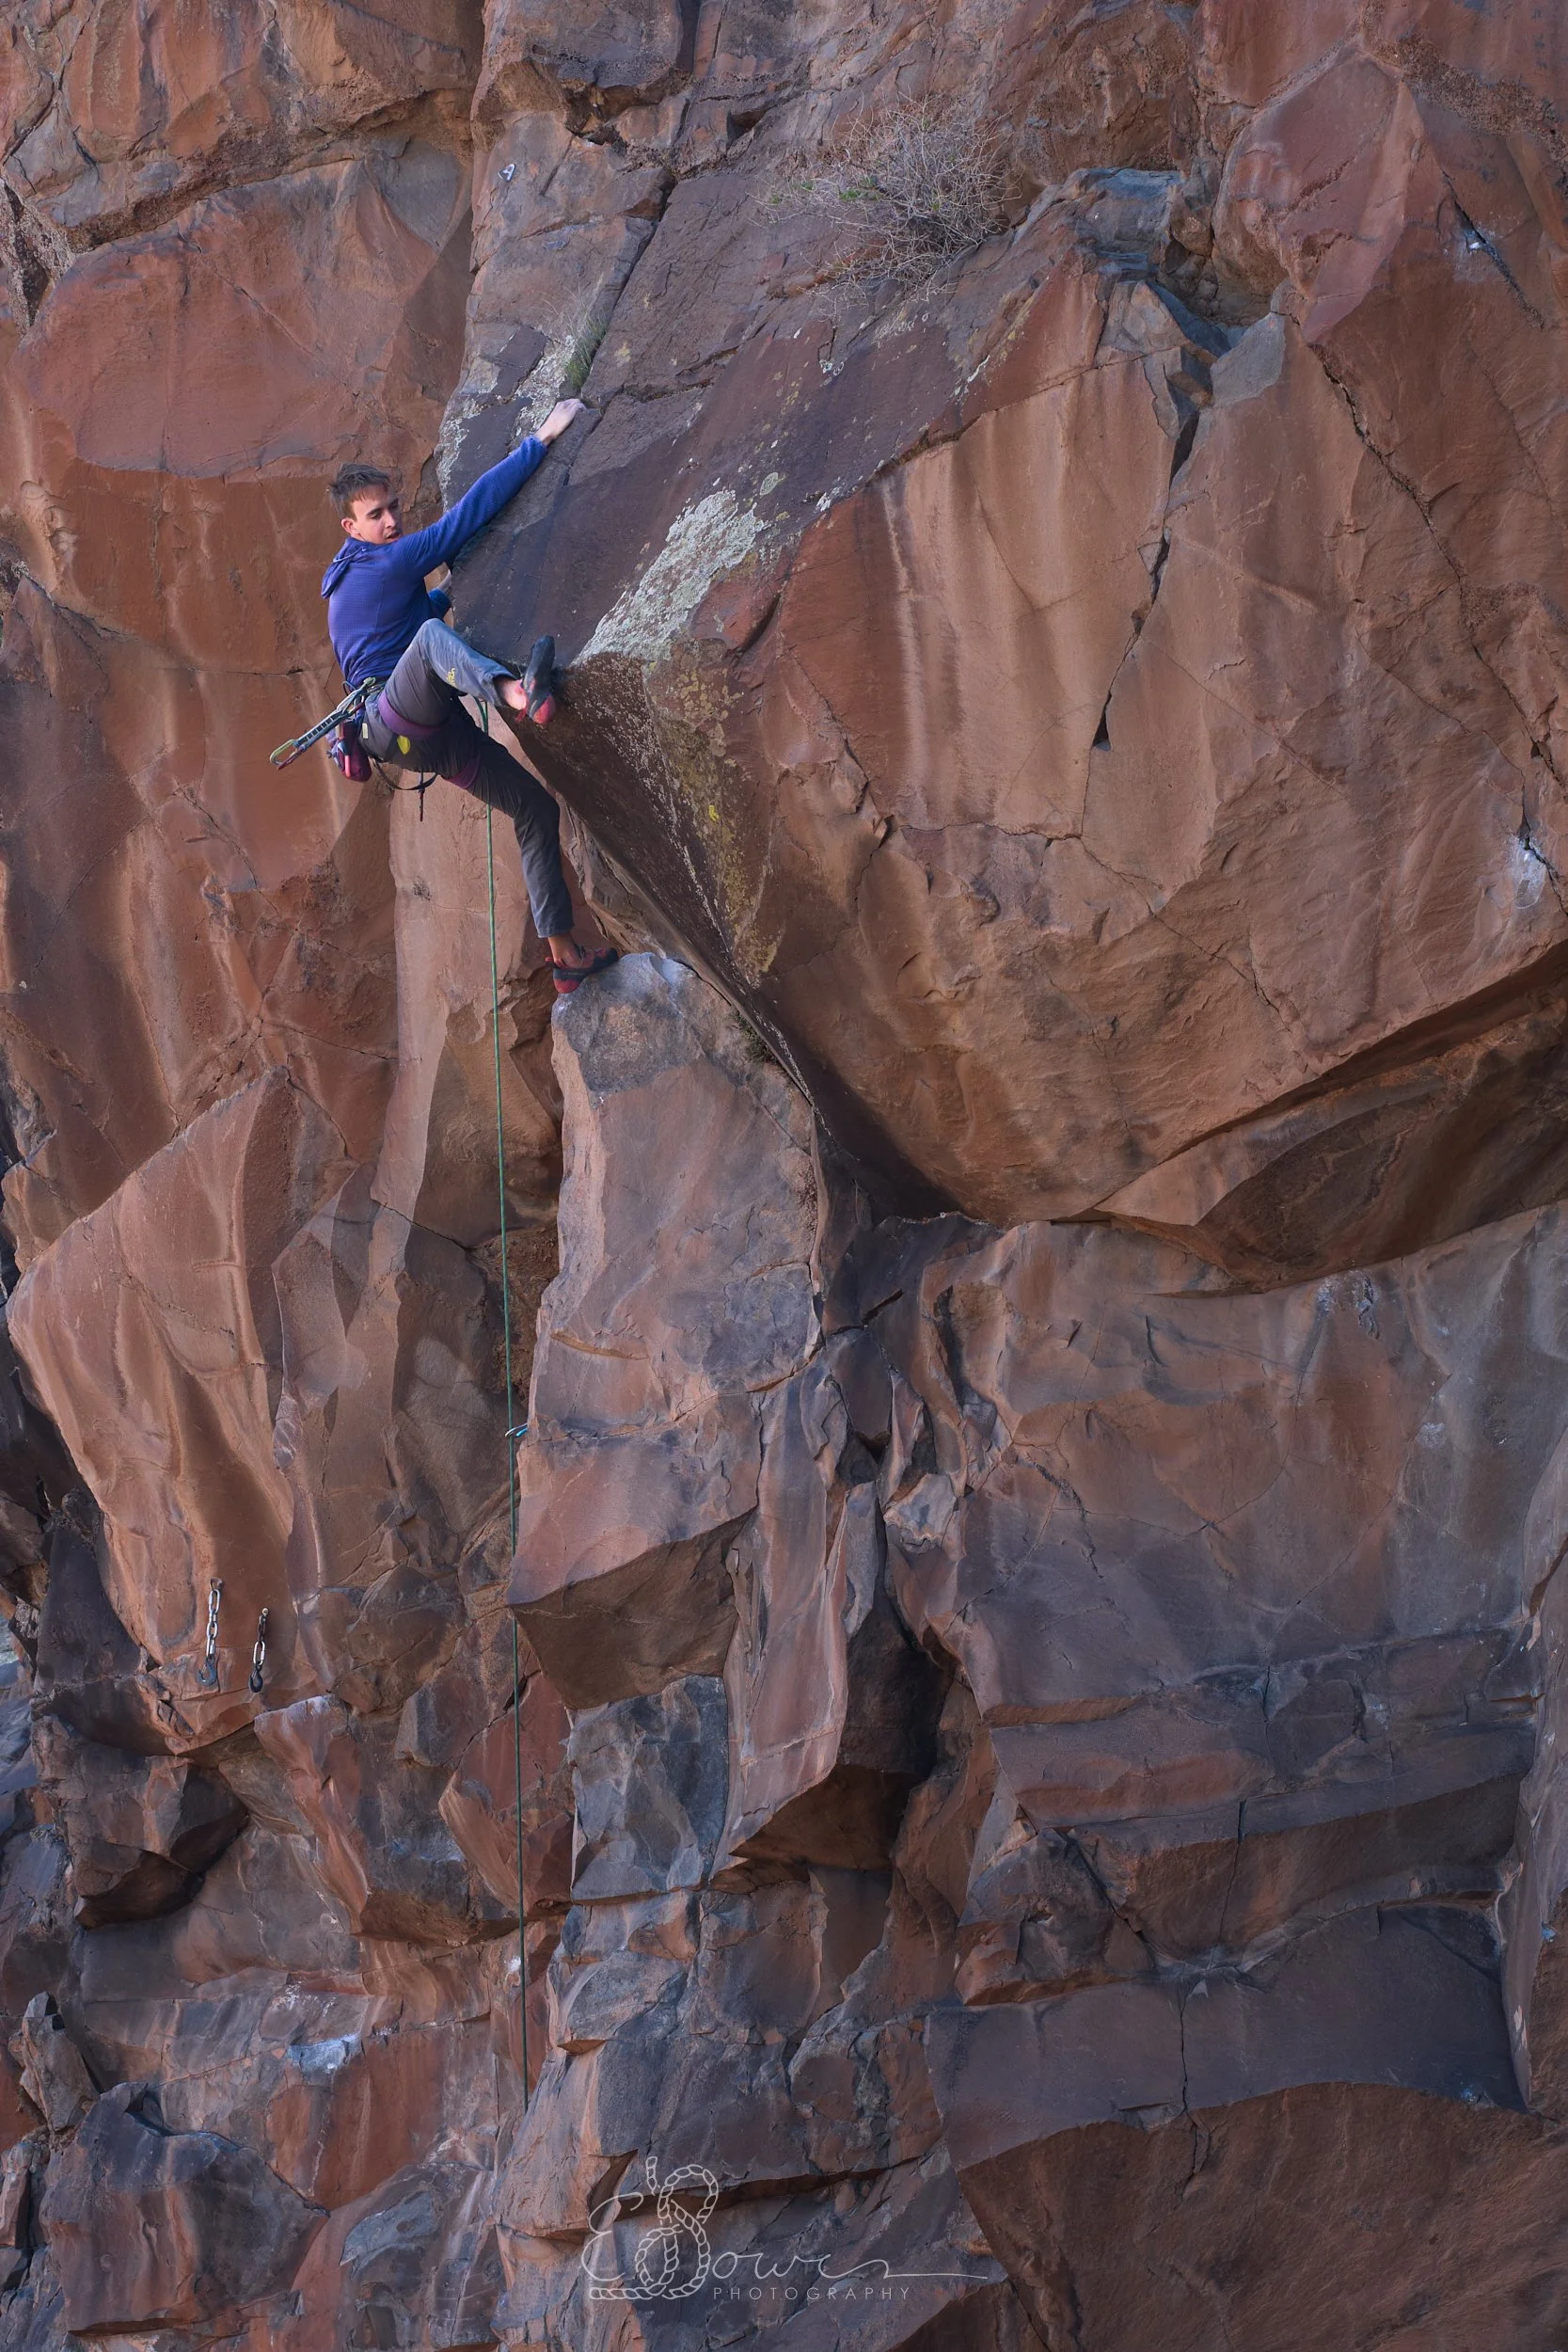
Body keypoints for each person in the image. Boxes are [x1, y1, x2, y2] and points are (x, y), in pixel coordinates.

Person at [320, 398, 616, 996]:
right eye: (376, 515)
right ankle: (517, 694)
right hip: (396, 716)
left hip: (426, 735)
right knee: (433, 640)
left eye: (394, 508)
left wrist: (456, 585)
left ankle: (563, 956)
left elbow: (413, 617)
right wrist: (542, 439)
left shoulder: (357, 582)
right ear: (351, 528)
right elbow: (468, 515)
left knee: (535, 808)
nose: (392, 522)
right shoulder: (383, 565)